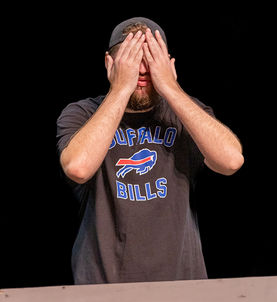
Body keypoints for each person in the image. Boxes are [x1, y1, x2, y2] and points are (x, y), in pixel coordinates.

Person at [56, 17, 244, 284]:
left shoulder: (185, 114)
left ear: (170, 65)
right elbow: (78, 167)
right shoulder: (82, 113)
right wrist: (121, 88)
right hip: (102, 288)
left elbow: (231, 160)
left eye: (150, 58)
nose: (141, 69)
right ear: (110, 64)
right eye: (131, 58)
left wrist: (169, 87)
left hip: (180, 285)